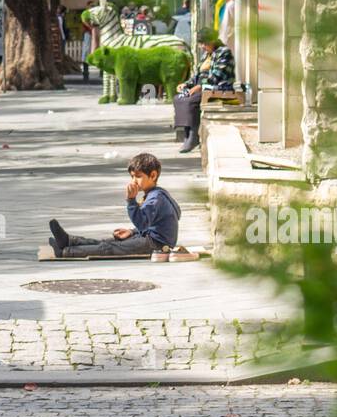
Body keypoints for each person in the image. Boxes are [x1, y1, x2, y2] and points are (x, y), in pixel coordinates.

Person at [46, 152, 180, 258]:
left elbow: (142, 223)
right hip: (149, 237)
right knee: (110, 241)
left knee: (110, 248)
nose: (134, 181)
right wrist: (131, 231)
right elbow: (155, 221)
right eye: (132, 176)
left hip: (156, 244)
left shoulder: (155, 198)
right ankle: (69, 241)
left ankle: (67, 252)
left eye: (138, 176)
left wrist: (131, 201)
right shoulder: (158, 194)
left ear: (153, 175)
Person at [173, 29, 236, 153]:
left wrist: (201, 86)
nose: (202, 46)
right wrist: (186, 84)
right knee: (179, 98)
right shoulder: (206, 55)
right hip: (201, 87)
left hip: (218, 87)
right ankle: (187, 134)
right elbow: (197, 76)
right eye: (201, 44)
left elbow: (217, 76)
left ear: (212, 41)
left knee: (191, 101)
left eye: (205, 44)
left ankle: (194, 135)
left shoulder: (224, 52)